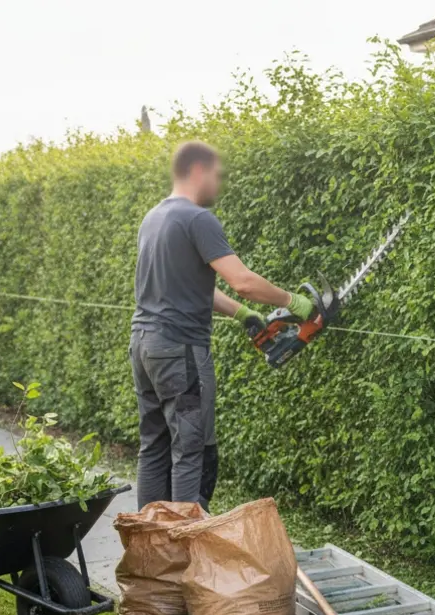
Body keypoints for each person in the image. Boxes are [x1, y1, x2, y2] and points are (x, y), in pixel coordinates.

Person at [130, 140, 310, 509]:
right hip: (180, 349)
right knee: (189, 450)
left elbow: (191, 286)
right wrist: (292, 301)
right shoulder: (198, 218)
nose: (219, 183)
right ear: (198, 171)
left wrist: (240, 313)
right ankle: (186, 552)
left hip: (143, 345)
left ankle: (149, 546)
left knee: (154, 446)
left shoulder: (154, 218)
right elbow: (242, 280)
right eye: (217, 175)